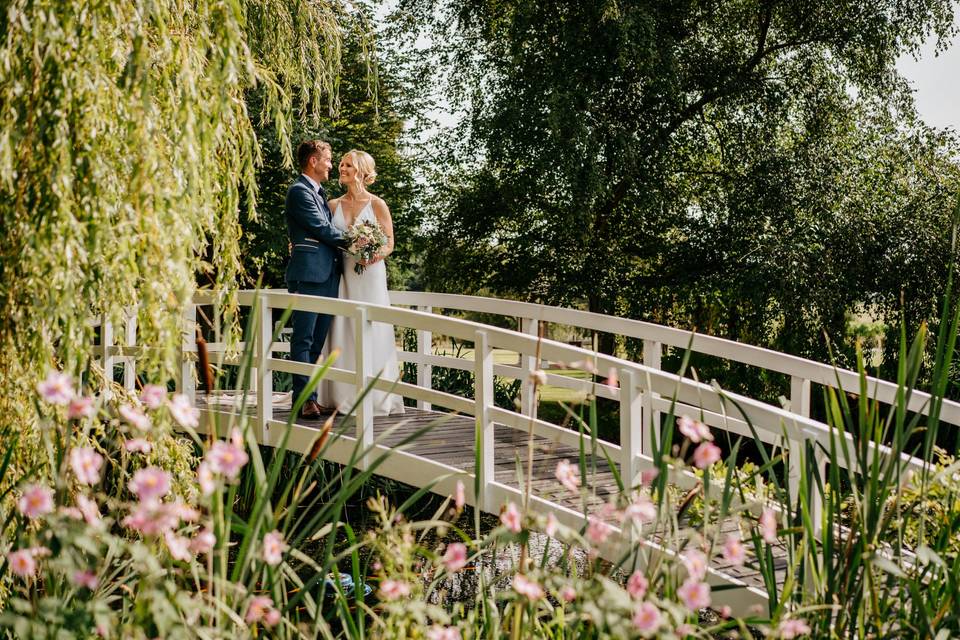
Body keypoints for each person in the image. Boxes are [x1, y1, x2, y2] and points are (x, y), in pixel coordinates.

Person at [319, 150, 405, 416]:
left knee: (373, 329)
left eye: (347, 165)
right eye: (341, 164)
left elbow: (390, 242)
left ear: (361, 171)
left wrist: (373, 255)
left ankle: (377, 397)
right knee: (341, 327)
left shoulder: (377, 204)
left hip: (371, 275)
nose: (341, 168)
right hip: (343, 274)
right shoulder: (332, 205)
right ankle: (338, 396)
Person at [285, 140, 349, 419]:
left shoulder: (320, 194)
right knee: (303, 338)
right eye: (328, 159)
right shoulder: (299, 192)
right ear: (313, 160)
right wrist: (355, 241)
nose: (331, 165)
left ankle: (309, 397)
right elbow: (321, 228)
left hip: (327, 275)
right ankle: (303, 400)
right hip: (309, 275)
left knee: (316, 340)